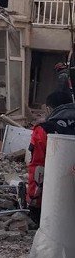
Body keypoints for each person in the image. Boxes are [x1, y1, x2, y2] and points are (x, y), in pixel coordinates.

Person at [27, 89, 75, 227]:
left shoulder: (44, 129)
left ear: (48, 109)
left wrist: (34, 203)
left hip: (55, 198)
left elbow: (38, 169)